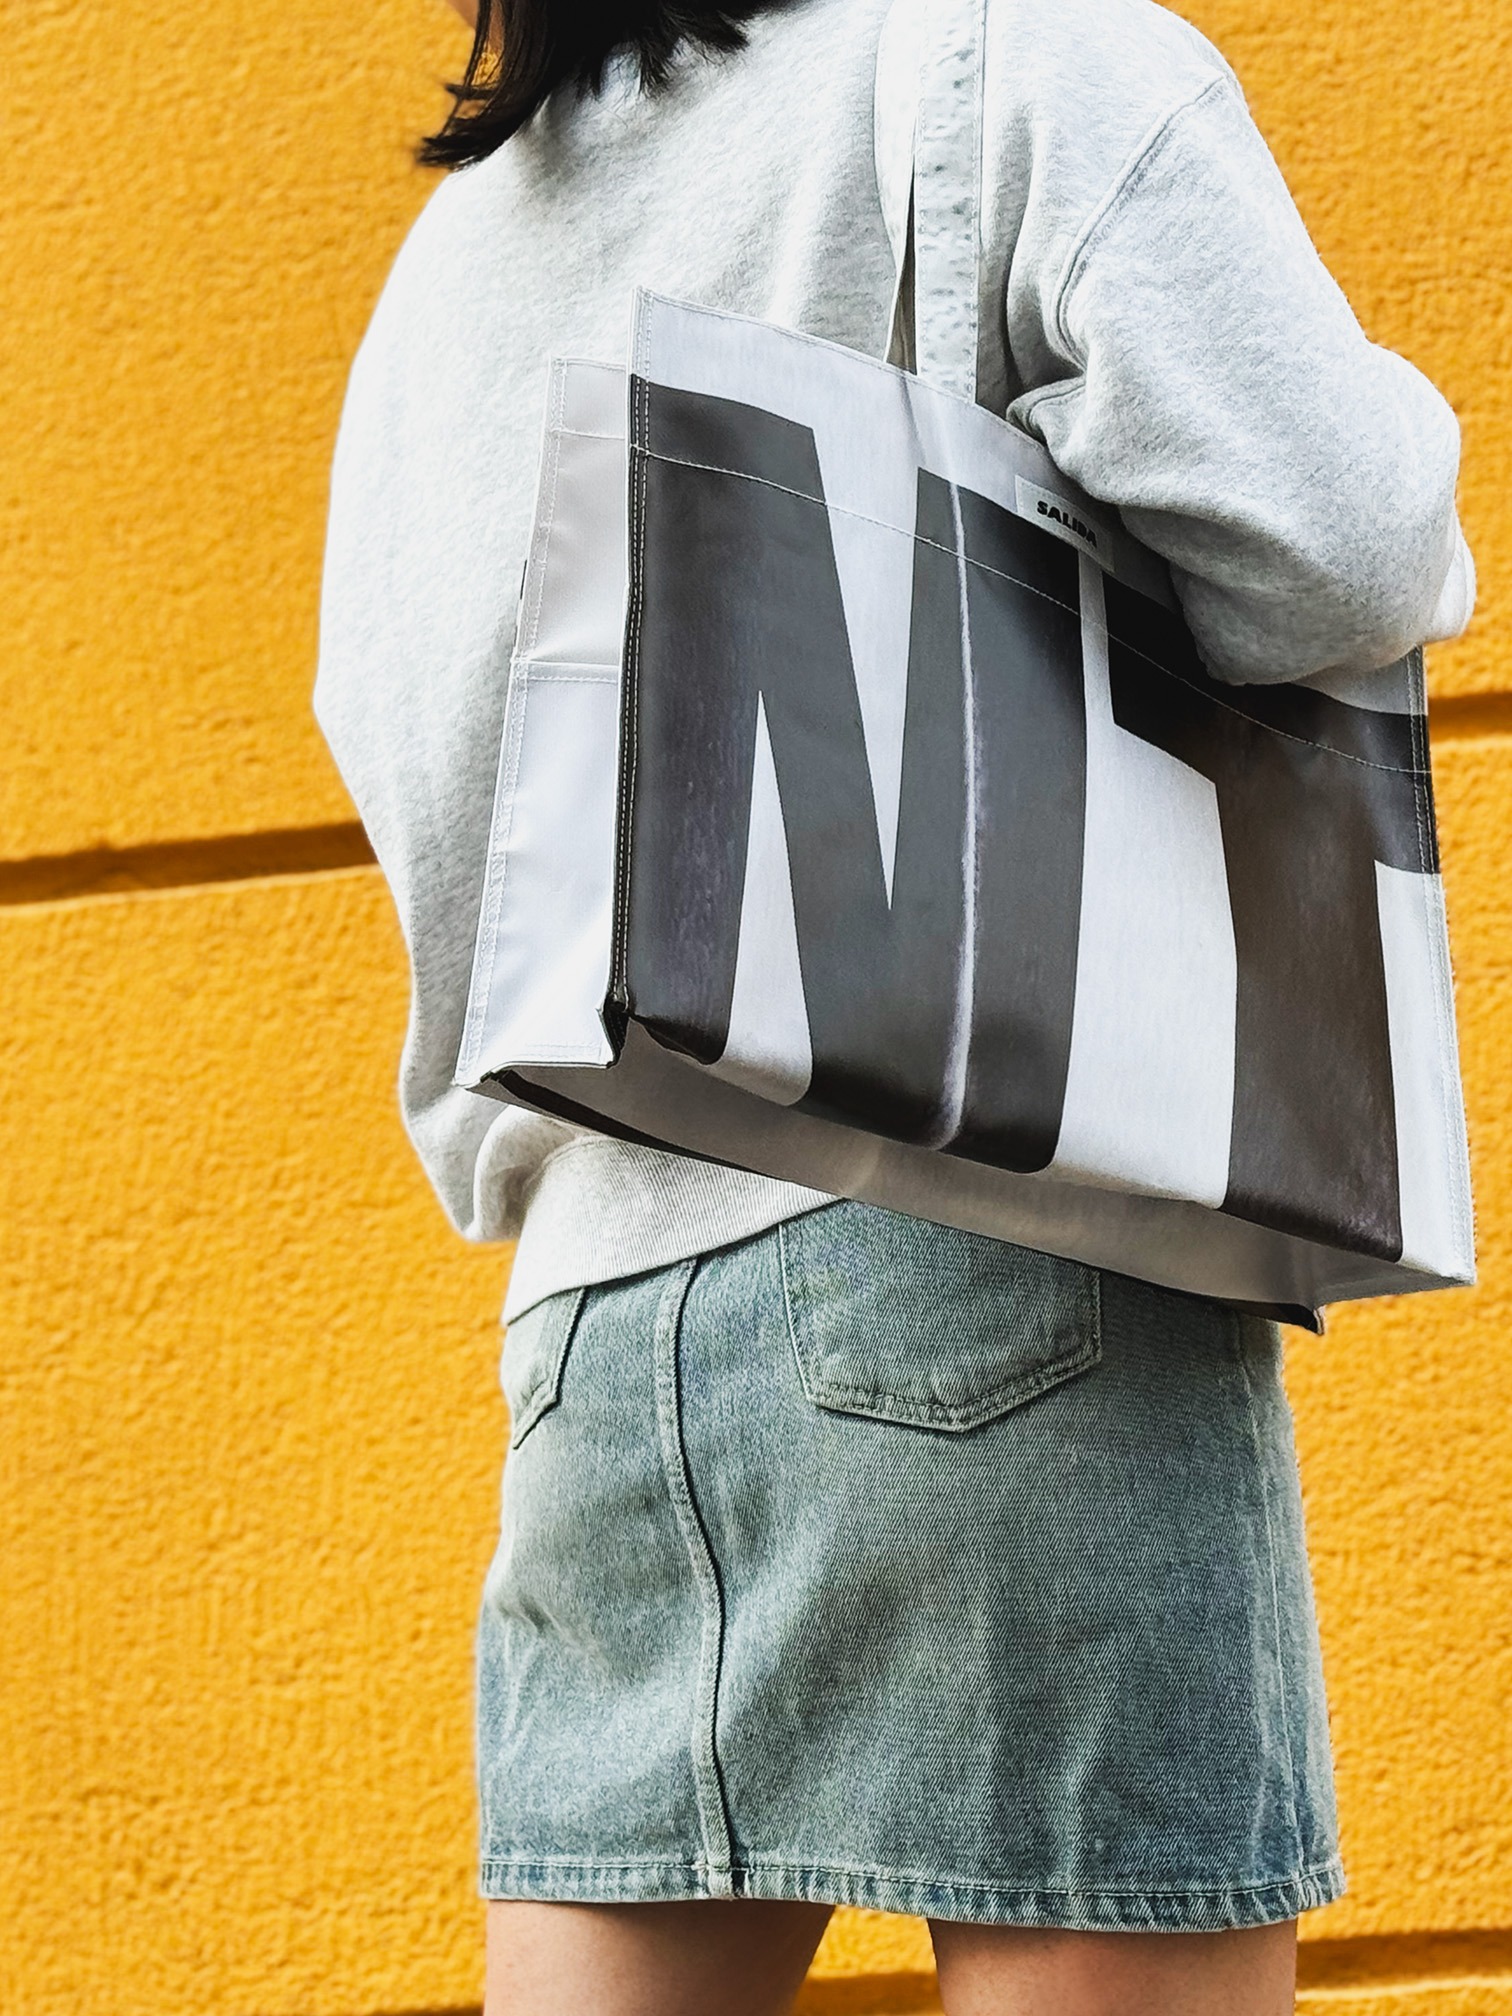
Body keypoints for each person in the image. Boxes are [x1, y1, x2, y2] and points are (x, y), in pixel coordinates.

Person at [312, 0, 1476, 2009]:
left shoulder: (455, 259)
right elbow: (1345, 545)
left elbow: (429, 776)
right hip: (994, 1232)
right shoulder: (1011, 51)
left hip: (598, 1343)